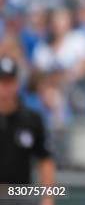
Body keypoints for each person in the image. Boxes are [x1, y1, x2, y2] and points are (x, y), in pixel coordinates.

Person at [0, 56, 56, 205]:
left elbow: (45, 160)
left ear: (17, 84)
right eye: (2, 82)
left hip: (21, 196)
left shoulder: (31, 119)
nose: (5, 88)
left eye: (9, 82)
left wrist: (47, 198)